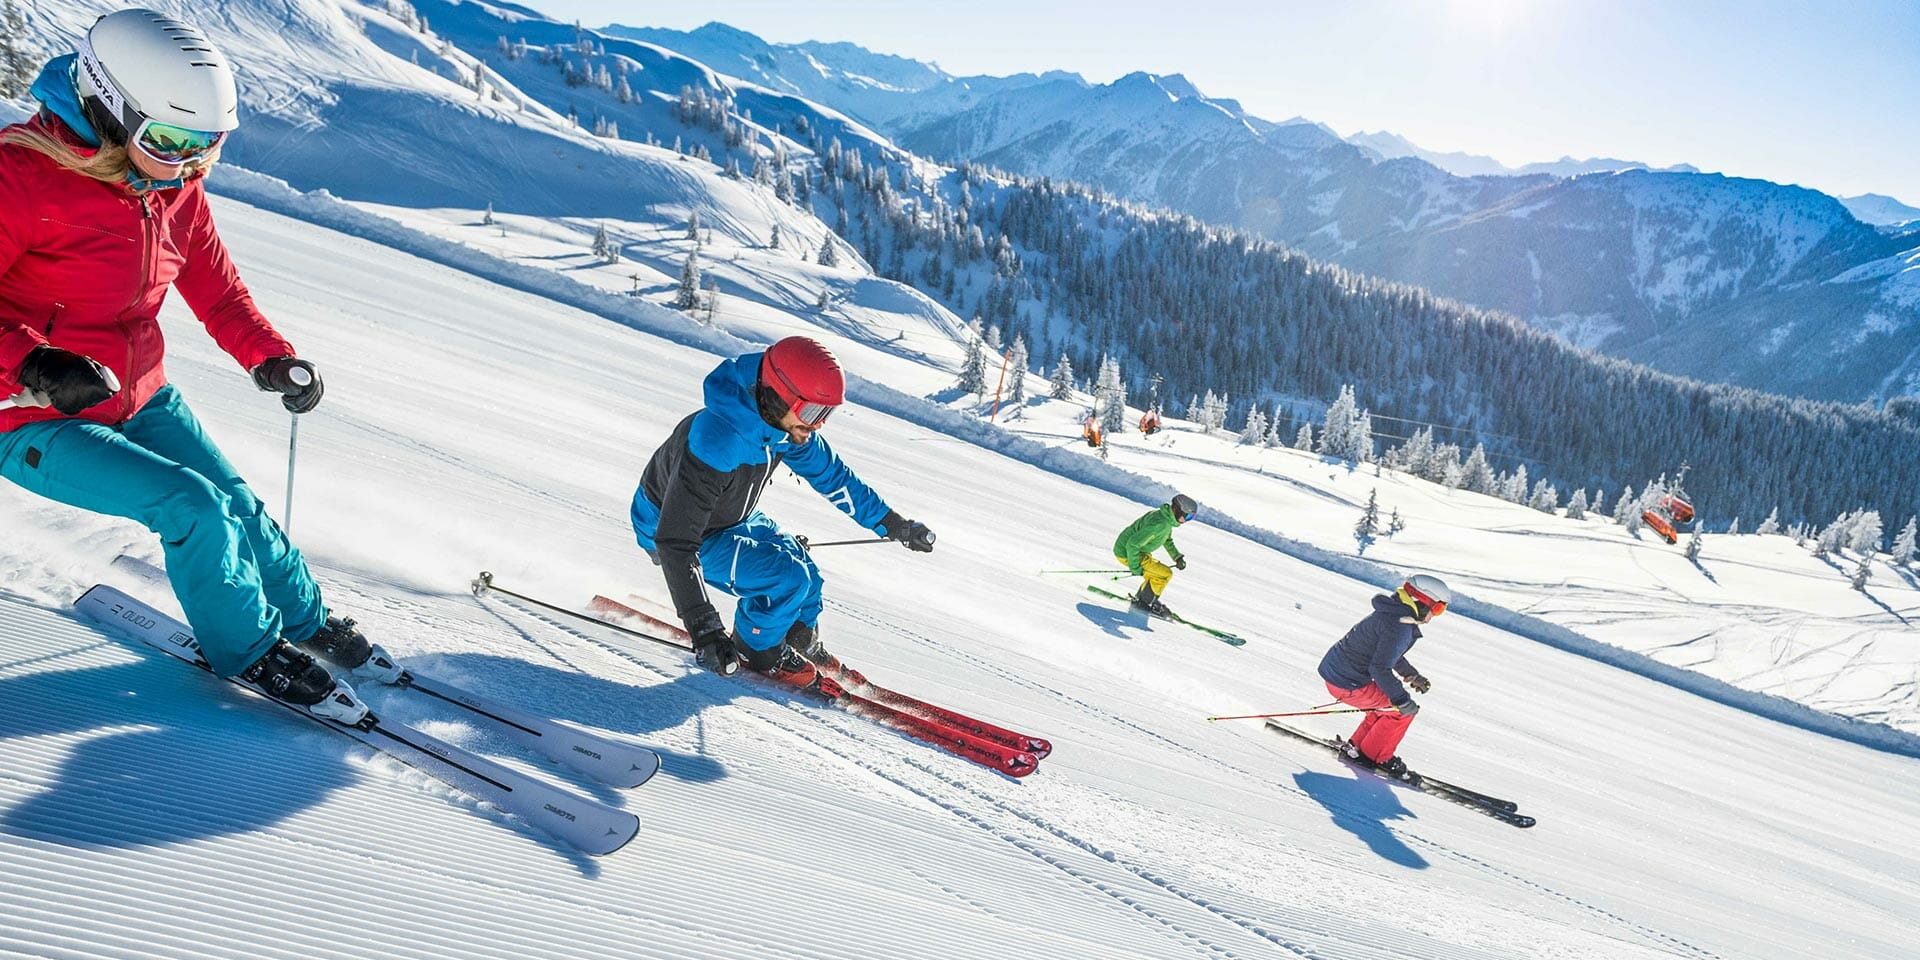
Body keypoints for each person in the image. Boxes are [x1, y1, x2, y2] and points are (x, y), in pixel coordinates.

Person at [0, 10, 399, 724]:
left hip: (139, 394)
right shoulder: (20, 176)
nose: (188, 163)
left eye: (207, 145)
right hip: (31, 413)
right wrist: (35, 365)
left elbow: (216, 288)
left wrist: (270, 357)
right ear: (109, 108)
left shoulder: (172, 185)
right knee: (193, 508)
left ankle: (307, 621)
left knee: (240, 506)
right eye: (172, 141)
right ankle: (249, 651)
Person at [631, 336, 936, 686]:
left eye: (826, 414)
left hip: (729, 518)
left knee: (804, 567)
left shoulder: (783, 427)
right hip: (674, 530)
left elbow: (833, 477)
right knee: (786, 577)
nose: (817, 424)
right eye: (812, 412)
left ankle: (793, 635)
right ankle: (757, 650)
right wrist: (705, 630)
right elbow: (675, 541)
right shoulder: (719, 439)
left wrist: (891, 523)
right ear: (779, 394)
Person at [1318, 574, 1451, 781]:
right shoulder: (1399, 626)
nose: (1435, 616)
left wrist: (1412, 676)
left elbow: (1386, 654)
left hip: (1339, 675)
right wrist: (1402, 700)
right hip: (1348, 683)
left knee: (1385, 706)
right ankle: (1377, 757)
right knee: (1401, 711)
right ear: (1421, 602)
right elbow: (1380, 667)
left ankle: (1359, 746)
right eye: (1437, 609)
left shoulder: (1393, 615)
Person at [1113, 494, 1196, 616]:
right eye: (1187, 517)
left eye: (1190, 518)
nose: (1187, 521)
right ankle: (1144, 602)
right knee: (1164, 574)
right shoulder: (1160, 524)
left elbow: (1166, 540)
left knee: (1157, 573)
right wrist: (1135, 567)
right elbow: (1132, 544)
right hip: (1127, 553)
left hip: (1134, 551)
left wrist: (1177, 556)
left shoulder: (1165, 519)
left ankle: (1145, 598)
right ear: (1177, 510)